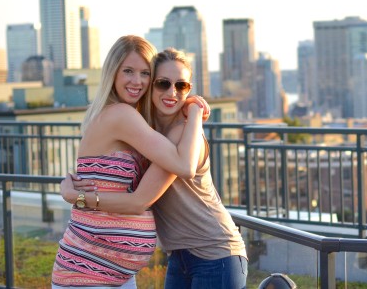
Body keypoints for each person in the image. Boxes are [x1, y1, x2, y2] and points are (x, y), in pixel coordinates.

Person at [60, 48, 248, 289]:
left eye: (182, 86)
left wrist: (194, 110)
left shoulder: (183, 133)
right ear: (150, 86)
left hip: (216, 253)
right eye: (163, 83)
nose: (172, 92)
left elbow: (150, 192)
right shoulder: (147, 131)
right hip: (179, 256)